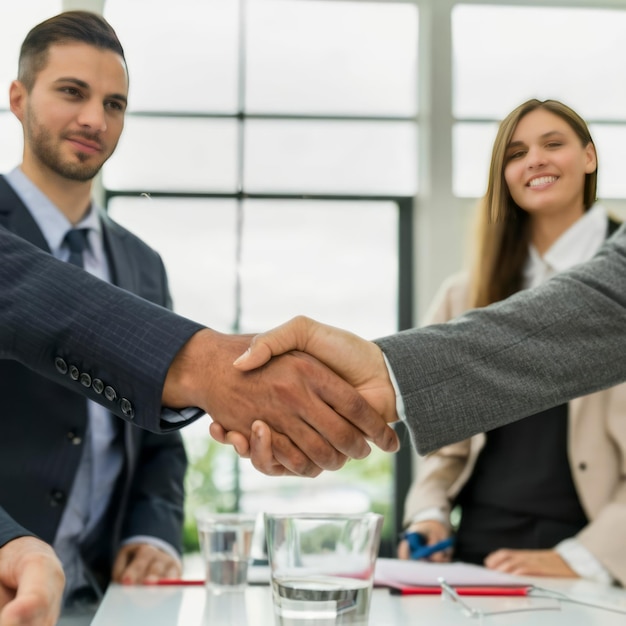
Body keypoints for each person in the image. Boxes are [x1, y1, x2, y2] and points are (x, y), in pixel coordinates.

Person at [0, 11, 189, 607]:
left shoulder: (143, 265)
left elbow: (161, 437)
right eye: (72, 93)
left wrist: (151, 532)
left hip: (106, 599)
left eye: (115, 104)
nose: (94, 119)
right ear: (18, 98)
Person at [395, 99, 626, 586]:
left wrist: (583, 559)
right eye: (516, 153)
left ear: (590, 157)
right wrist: (428, 514)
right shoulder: (466, 293)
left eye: (553, 144)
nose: (534, 160)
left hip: (595, 560)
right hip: (477, 553)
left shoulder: (618, 285)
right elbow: (443, 450)